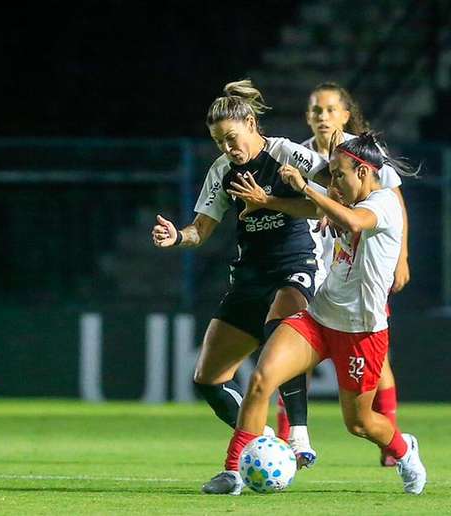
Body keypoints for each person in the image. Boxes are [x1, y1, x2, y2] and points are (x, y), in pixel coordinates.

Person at [201, 132, 427, 496]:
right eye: (332, 175)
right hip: (320, 318)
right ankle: (233, 472)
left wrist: (306, 187)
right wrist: (272, 201)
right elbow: (314, 210)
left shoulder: (384, 203)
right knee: (262, 379)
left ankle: (404, 449)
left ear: (365, 171)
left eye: (340, 174)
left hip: (361, 330)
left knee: (360, 423)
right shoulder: (345, 197)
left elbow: (354, 222)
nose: (334, 181)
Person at [152, 79, 327, 467]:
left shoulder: (288, 155)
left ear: (251, 123)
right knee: (207, 379)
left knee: (280, 327)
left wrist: (271, 201)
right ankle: (262, 443)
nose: (228, 148)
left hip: (294, 266)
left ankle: (297, 436)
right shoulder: (222, 171)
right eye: (219, 143)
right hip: (250, 277)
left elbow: (330, 199)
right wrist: (176, 236)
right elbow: (200, 231)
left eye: (232, 138)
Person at [274, 82, 411, 468]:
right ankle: (292, 437)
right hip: (320, 274)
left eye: (331, 109)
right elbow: (312, 209)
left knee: (363, 404)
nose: (323, 117)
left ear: (346, 114)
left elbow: (381, 206)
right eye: (316, 110)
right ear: (307, 116)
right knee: (279, 359)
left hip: (363, 292)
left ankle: (394, 443)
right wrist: (270, 201)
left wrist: (402, 256)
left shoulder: (361, 157)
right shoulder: (305, 156)